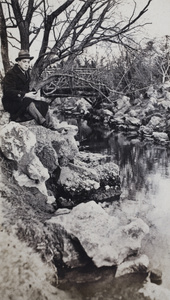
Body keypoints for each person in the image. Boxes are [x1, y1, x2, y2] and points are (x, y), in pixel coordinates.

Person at [2, 49, 55, 129]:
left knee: (43, 104)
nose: (27, 64)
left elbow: (25, 90)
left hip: (21, 100)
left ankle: (51, 126)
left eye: (28, 62)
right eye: (24, 62)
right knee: (28, 102)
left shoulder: (26, 73)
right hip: (11, 102)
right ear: (18, 62)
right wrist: (25, 95)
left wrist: (32, 93)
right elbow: (8, 92)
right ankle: (43, 123)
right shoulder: (11, 74)